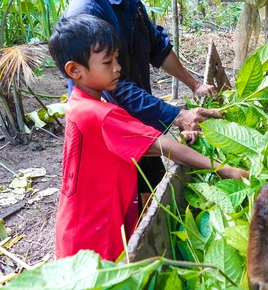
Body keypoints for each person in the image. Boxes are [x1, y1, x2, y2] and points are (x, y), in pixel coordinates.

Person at [48, 14, 248, 261]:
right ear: (74, 69)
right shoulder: (101, 114)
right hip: (96, 242)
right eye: (107, 62)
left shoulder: (79, 103)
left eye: (117, 59)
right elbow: (166, 148)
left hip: (79, 229)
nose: (118, 67)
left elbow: (135, 146)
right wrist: (225, 169)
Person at [63, 0, 222, 191]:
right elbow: (115, 88)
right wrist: (177, 115)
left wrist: (194, 85)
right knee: (123, 199)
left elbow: (157, 48)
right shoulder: (88, 12)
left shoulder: (131, 3)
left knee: (152, 188)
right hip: (111, 129)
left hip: (138, 119)